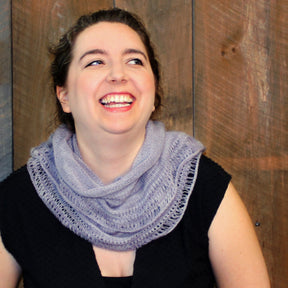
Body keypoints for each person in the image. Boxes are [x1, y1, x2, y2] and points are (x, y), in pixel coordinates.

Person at [0, 8, 270, 288]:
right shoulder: (18, 200)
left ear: (153, 91)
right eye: (95, 62)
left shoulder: (205, 189)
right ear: (64, 95)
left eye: (134, 61)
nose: (118, 74)